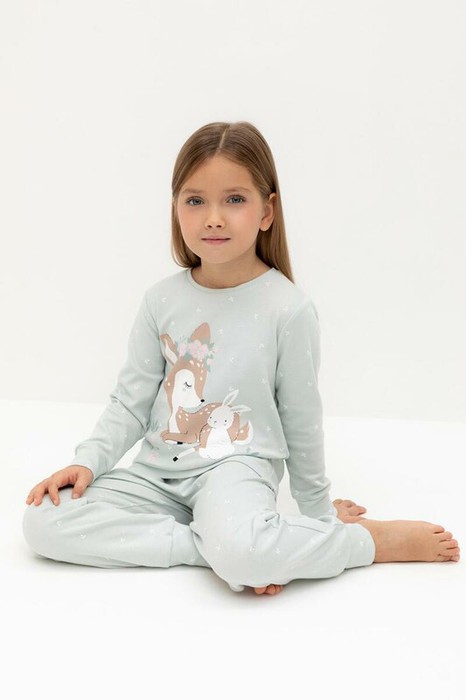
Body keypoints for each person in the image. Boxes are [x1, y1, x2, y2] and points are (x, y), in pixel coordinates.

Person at [22, 121, 460, 596]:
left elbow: (301, 420)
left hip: (234, 469)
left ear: (267, 211)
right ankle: (219, 548)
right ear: (176, 209)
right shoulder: (159, 300)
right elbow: (130, 403)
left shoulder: (288, 309)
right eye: (195, 201)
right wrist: (88, 462)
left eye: (234, 199)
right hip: (159, 471)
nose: (213, 218)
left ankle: (363, 543)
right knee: (43, 520)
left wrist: (318, 512)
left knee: (244, 553)